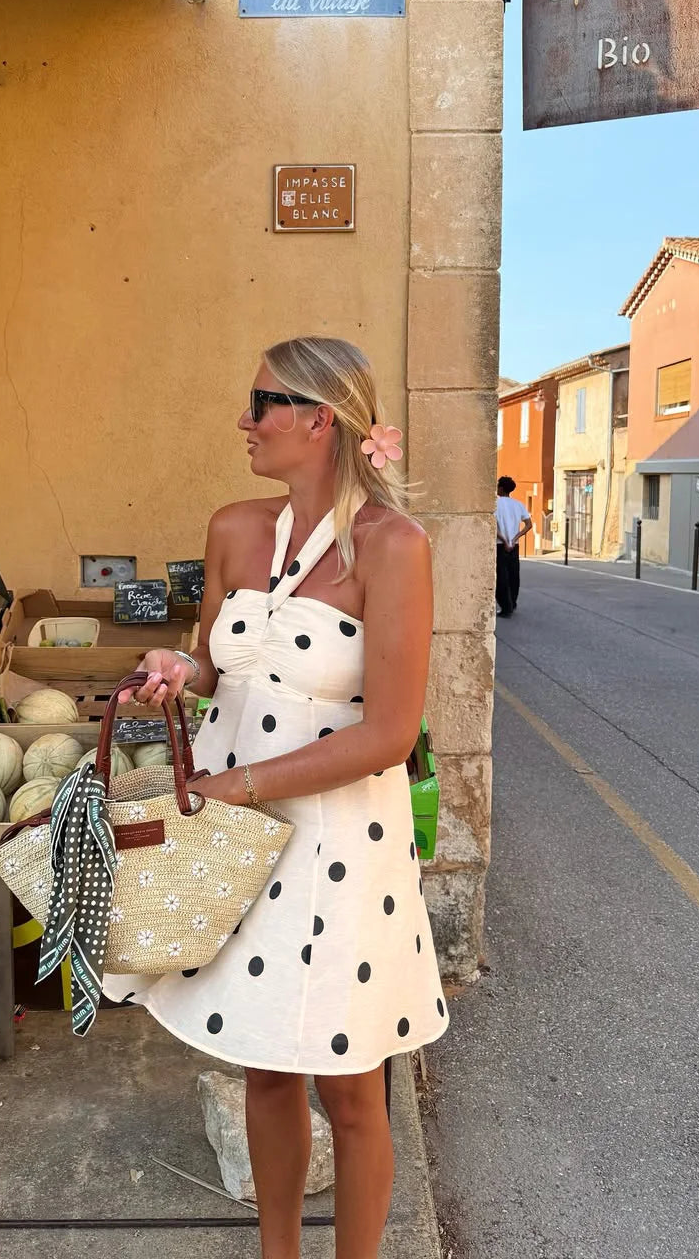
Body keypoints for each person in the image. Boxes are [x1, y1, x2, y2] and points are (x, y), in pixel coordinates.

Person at [115, 336, 448, 1259]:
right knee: (261, 1062)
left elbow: (389, 731)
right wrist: (178, 669)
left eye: (261, 402)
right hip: (232, 832)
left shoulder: (395, 546)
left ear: (319, 418)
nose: (244, 420)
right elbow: (225, 669)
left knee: (349, 1084)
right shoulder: (233, 527)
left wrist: (239, 785)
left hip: (338, 837)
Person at [495, 476, 532, 618]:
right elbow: (528, 525)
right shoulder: (518, 505)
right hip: (514, 545)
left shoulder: (496, 505)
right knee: (513, 574)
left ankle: (506, 606)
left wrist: (504, 540)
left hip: (500, 544)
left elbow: (493, 526)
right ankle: (513, 602)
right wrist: (514, 538)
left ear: (501, 488)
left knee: (501, 576)